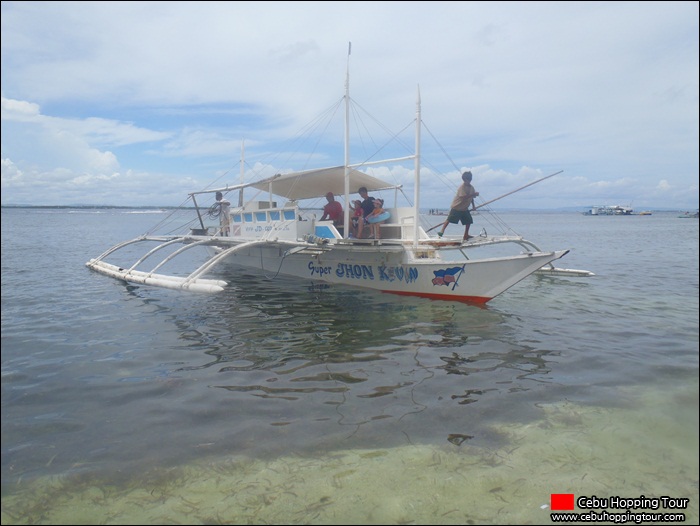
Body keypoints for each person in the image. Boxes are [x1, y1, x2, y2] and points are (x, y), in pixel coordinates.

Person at [437, 171, 479, 241]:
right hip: (457, 207)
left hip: (465, 208)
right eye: (464, 180)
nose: (465, 182)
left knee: (468, 221)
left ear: (470, 180)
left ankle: (466, 235)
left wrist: (473, 206)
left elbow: (471, 198)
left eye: (466, 180)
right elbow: (464, 197)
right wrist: (473, 194)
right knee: (449, 219)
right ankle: (442, 231)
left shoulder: (472, 188)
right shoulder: (461, 187)